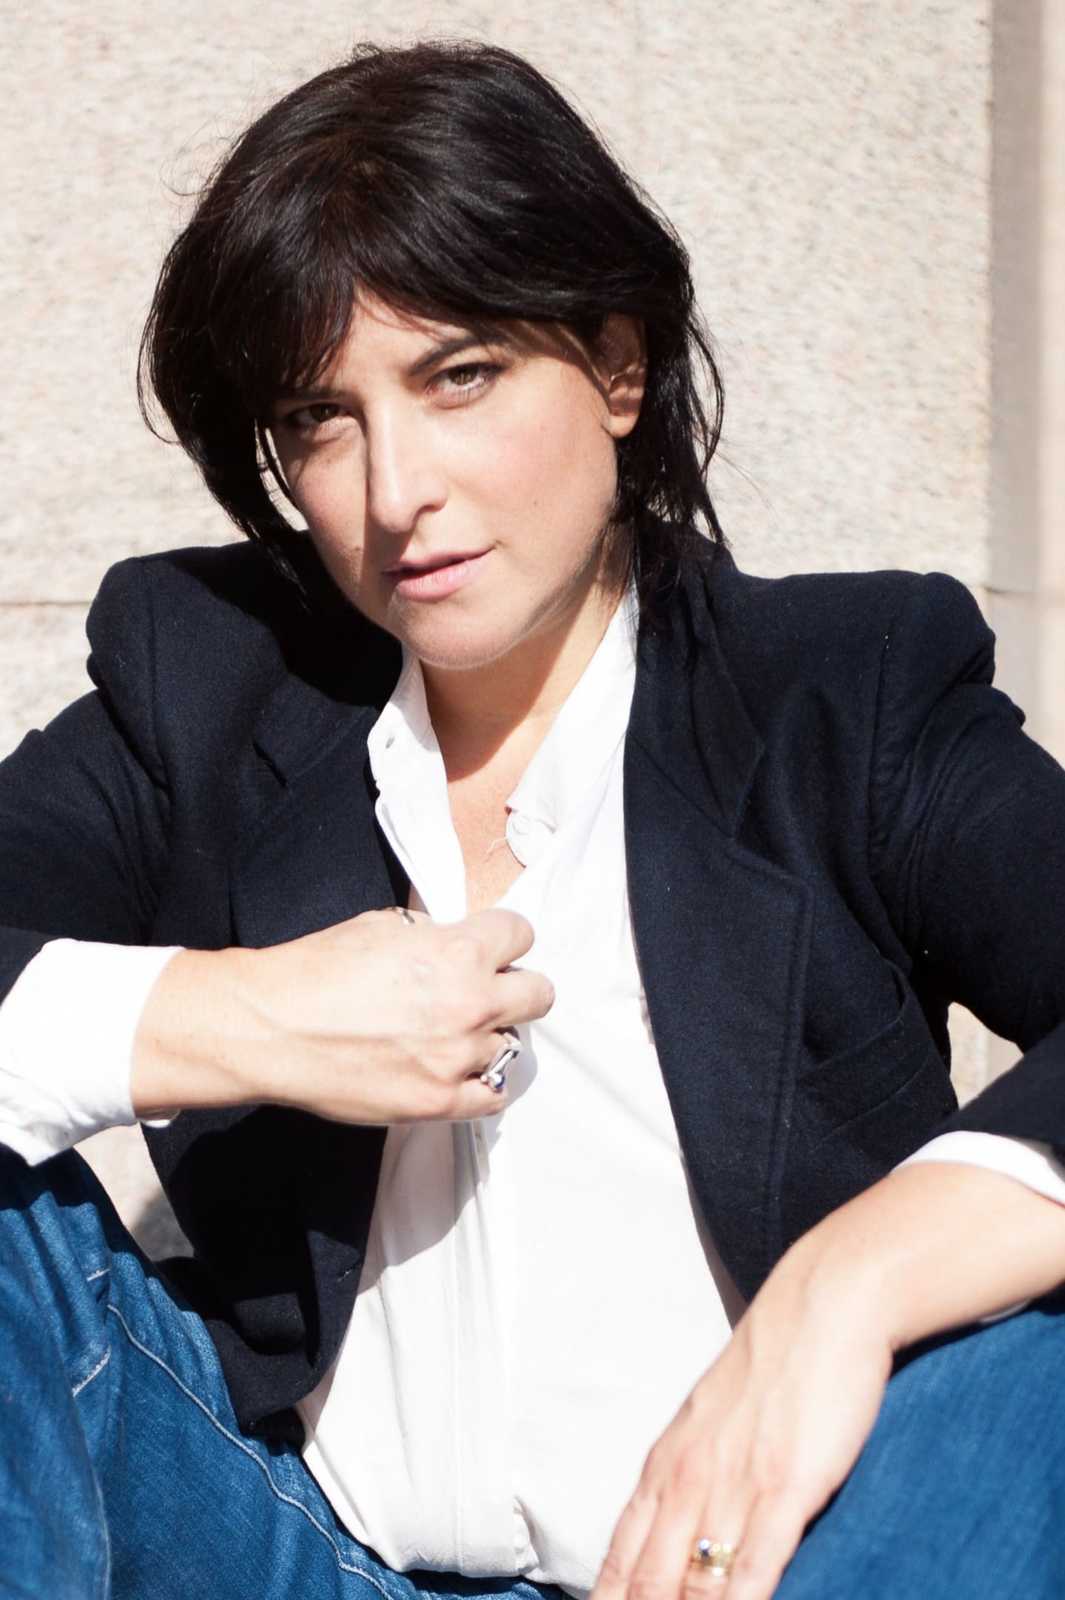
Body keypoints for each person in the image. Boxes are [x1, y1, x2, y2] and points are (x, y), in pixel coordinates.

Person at [1, 37, 1064, 1600]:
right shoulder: (210, 683)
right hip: (296, 1557)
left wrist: (847, 1286)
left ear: (617, 366)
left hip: (773, 1566)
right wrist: (241, 1017)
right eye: (322, 418)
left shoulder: (840, 696)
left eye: (459, 377)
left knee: (1035, 1348)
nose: (395, 491)